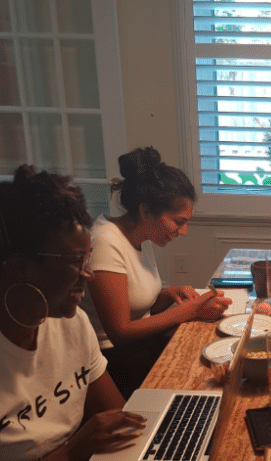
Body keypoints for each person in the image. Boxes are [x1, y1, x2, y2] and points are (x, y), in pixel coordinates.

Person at [0, 165, 146, 461]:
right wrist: (66, 455)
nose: (88, 274)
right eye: (72, 261)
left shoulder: (71, 323)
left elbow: (117, 413)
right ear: (18, 267)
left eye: (87, 258)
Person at [81, 147, 231, 398]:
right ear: (145, 211)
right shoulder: (105, 243)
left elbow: (136, 304)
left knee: (220, 360)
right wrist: (189, 312)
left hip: (141, 348)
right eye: (178, 221)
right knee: (206, 380)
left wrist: (167, 295)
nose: (182, 232)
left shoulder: (141, 236)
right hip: (114, 365)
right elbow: (120, 332)